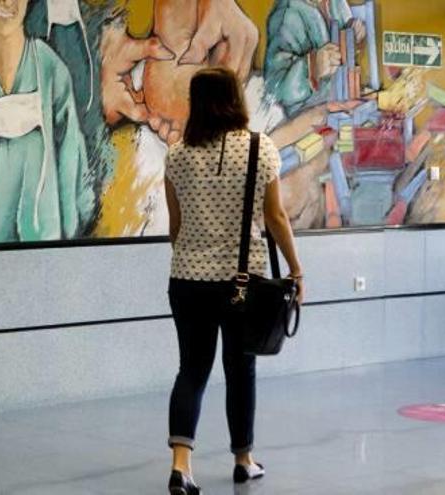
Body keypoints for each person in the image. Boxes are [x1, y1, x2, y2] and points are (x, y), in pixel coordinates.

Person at [163, 67, 304, 494]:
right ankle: (243, 459)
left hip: (186, 280)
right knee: (240, 369)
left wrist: (195, 260)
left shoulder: (177, 156)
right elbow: (275, 216)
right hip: (244, 283)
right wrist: (296, 270)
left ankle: (181, 466)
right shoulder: (260, 150)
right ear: (235, 98)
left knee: (192, 369)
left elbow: (175, 227)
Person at [0, 0, 93, 244]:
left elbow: (71, 159)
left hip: (44, 243)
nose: (6, 2)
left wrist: (70, 236)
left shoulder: (53, 70)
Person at [264, 0, 366, 117]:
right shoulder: (286, 14)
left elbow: (346, 42)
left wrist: (353, 31)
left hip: (342, 104)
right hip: (305, 116)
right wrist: (312, 67)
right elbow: (275, 89)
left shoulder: (337, 3)